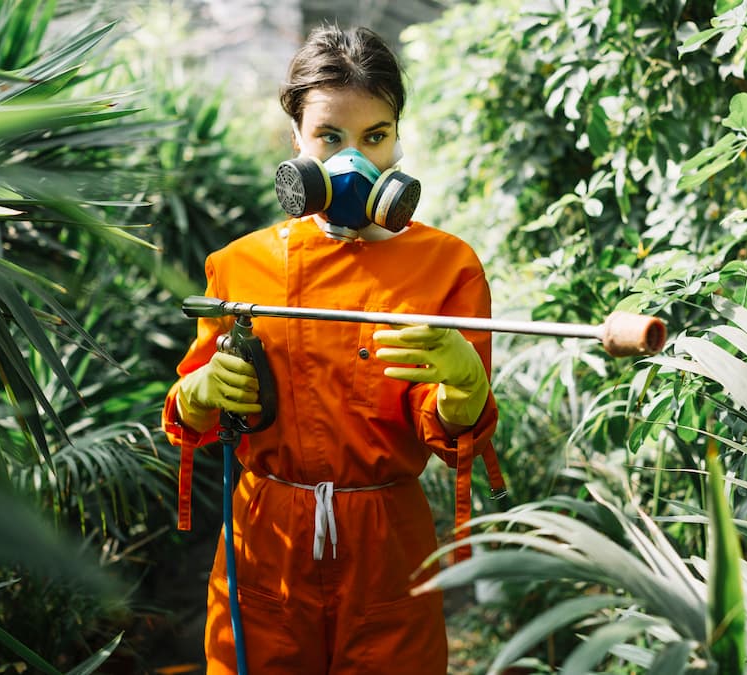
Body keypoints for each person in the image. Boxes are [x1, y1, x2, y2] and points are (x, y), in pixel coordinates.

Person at [162, 24, 503, 675]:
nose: (357, 161)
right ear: (297, 140)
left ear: (398, 134)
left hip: (387, 546)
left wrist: (466, 388)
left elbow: (454, 436)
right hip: (266, 542)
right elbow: (192, 420)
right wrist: (199, 392)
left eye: (376, 136)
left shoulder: (449, 266)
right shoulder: (241, 266)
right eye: (331, 137)